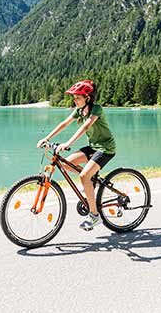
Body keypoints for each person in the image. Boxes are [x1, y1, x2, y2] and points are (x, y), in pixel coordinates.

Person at [37, 80, 116, 230]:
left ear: (88, 98)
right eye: (74, 97)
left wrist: (68, 143)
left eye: (77, 97)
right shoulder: (79, 110)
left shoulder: (96, 109)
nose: (74, 100)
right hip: (93, 147)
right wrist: (47, 138)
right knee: (66, 164)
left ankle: (94, 216)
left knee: (83, 176)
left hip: (106, 148)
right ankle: (92, 180)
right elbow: (64, 124)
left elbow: (86, 126)